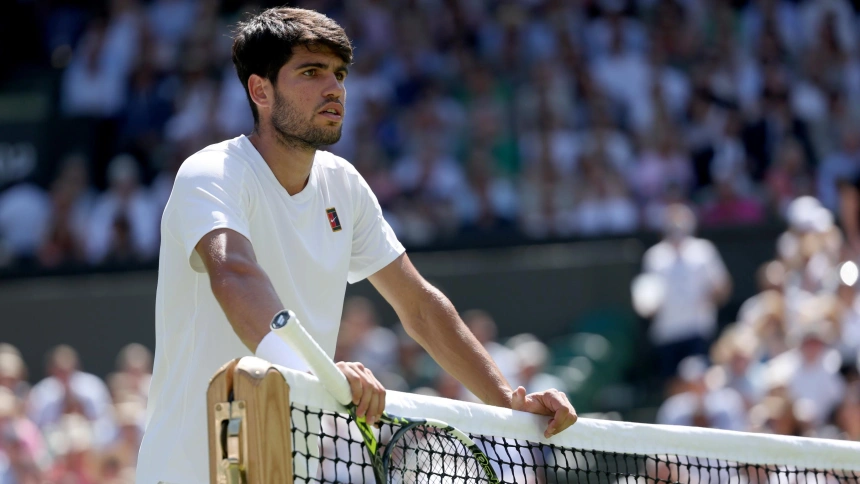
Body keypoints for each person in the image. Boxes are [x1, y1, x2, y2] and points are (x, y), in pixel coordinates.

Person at [136, 7, 577, 484]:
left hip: (285, 469)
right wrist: (322, 374)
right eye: (311, 71)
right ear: (260, 90)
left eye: (339, 74)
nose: (335, 88)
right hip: (188, 470)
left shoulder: (344, 185)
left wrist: (509, 401)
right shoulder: (210, 173)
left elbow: (420, 307)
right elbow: (234, 273)